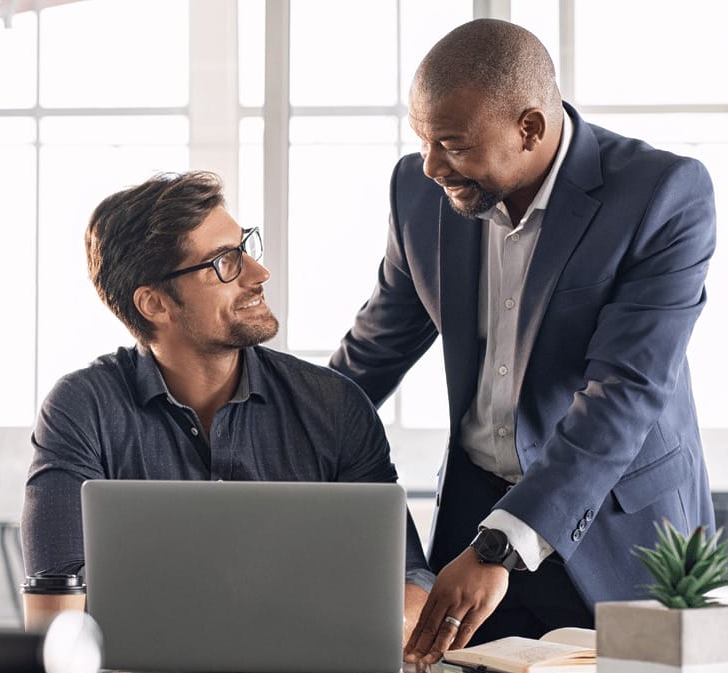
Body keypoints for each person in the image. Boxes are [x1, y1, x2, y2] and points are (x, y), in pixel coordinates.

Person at [329, 18, 717, 664]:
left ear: (529, 128)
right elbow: (368, 356)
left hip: (622, 530)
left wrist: (500, 546)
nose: (429, 166)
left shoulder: (662, 196)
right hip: (471, 519)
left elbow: (624, 392)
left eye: (450, 145)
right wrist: (266, 430)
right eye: (423, 141)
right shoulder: (418, 194)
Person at [21, 170, 434, 638]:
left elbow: (407, 576)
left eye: (245, 247)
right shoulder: (81, 409)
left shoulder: (335, 405)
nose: (259, 274)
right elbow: (58, 596)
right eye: (223, 262)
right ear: (154, 304)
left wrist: (387, 627)